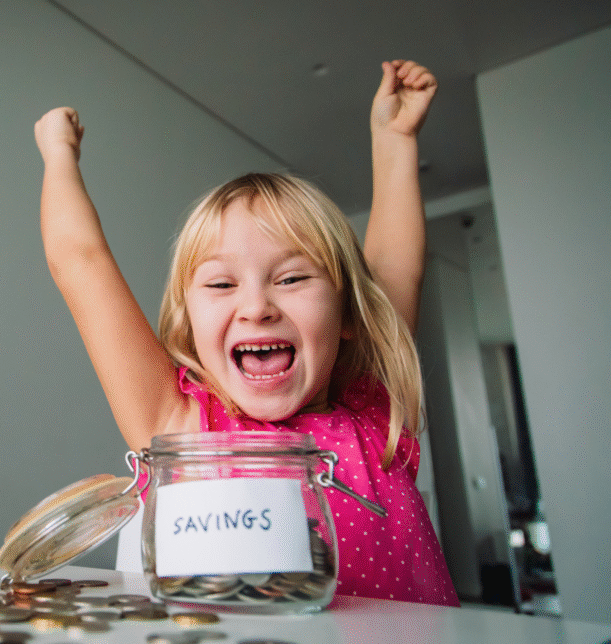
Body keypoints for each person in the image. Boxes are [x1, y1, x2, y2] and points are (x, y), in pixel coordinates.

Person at [34, 60, 458, 606]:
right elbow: (81, 262)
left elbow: (396, 267)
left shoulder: (376, 417)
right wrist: (57, 154)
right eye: (220, 284)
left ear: (351, 316)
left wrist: (395, 139)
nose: (257, 307)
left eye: (292, 277)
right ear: (190, 322)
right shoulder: (180, 429)